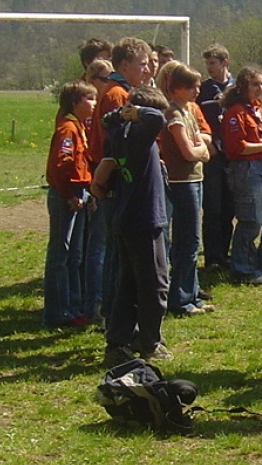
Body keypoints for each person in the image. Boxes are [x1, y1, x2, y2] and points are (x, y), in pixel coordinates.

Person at [92, 84, 171, 365]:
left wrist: (122, 115)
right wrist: (136, 112)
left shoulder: (116, 133)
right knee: (154, 284)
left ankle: (117, 342)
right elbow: (157, 119)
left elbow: (106, 119)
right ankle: (150, 342)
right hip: (145, 218)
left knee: (127, 284)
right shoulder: (139, 134)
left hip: (125, 218)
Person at [85, 37, 151, 322]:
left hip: (116, 175)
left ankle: (110, 308)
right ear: (125, 64)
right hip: (114, 179)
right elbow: (114, 142)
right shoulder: (115, 95)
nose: (147, 70)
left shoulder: (121, 90)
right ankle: (106, 308)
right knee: (111, 248)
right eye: (143, 64)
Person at [220, 65, 262, 285]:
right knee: (251, 220)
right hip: (245, 169)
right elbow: (237, 147)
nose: (260, 88)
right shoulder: (234, 113)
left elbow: (260, 141)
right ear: (242, 87)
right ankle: (243, 268)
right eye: (255, 84)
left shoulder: (257, 109)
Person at [158, 62, 214, 317]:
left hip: (194, 180)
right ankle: (180, 299)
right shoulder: (173, 114)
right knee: (186, 240)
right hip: (182, 182)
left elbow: (202, 139)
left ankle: (191, 294)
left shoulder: (188, 110)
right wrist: (201, 152)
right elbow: (189, 150)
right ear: (178, 88)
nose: (197, 91)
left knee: (192, 238)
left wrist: (199, 148)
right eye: (192, 86)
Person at [43, 80, 96, 328]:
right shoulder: (67, 130)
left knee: (75, 255)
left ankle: (74, 307)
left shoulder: (79, 127)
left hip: (80, 191)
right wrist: (68, 196)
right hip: (68, 194)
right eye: (90, 99)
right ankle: (57, 311)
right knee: (60, 255)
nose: (94, 104)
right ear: (76, 103)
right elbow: (60, 167)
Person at [198, 44, 235, 271]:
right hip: (213, 155)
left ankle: (224, 252)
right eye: (207, 64)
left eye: (213, 63)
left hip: (233, 154)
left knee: (229, 206)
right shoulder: (203, 90)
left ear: (224, 63)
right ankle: (212, 257)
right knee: (213, 206)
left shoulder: (237, 88)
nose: (209, 68)